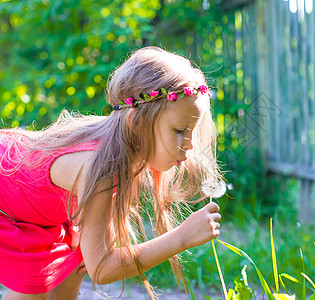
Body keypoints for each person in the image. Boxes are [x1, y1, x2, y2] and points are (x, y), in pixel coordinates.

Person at [0, 46, 222, 299]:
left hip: (24, 202)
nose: (189, 144)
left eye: (191, 130)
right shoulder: (101, 167)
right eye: (180, 130)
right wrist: (181, 238)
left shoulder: (116, 146)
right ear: (136, 123)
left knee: (73, 262)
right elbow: (102, 269)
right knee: (39, 281)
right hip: (5, 203)